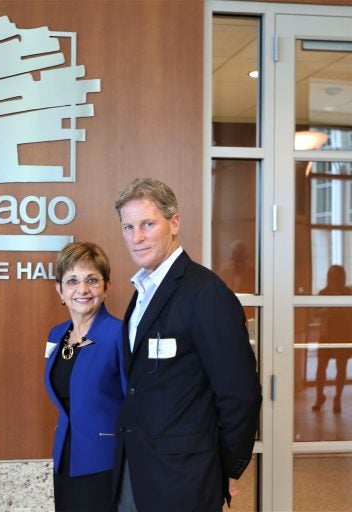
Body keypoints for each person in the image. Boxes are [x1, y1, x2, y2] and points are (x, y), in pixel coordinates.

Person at [112, 178, 262, 512]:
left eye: (147, 224)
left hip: (185, 479)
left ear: (174, 222)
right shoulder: (143, 292)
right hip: (137, 468)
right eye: (128, 226)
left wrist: (227, 467)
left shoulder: (206, 294)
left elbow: (241, 394)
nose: (136, 237)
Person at [44, 241, 126, 512]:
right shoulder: (56, 335)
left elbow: (135, 405)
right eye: (72, 281)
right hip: (65, 458)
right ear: (60, 290)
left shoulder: (119, 335)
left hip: (104, 463)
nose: (82, 289)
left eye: (92, 280)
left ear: (106, 286)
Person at [311, 264, 352, 413]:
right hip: (326, 334)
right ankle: (319, 397)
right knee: (321, 367)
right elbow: (314, 313)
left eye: (335, 274)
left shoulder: (348, 293)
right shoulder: (323, 293)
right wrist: (324, 312)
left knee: (341, 368)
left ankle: (337, 398)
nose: (332, 277)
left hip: (343, 334)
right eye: (330, 274)